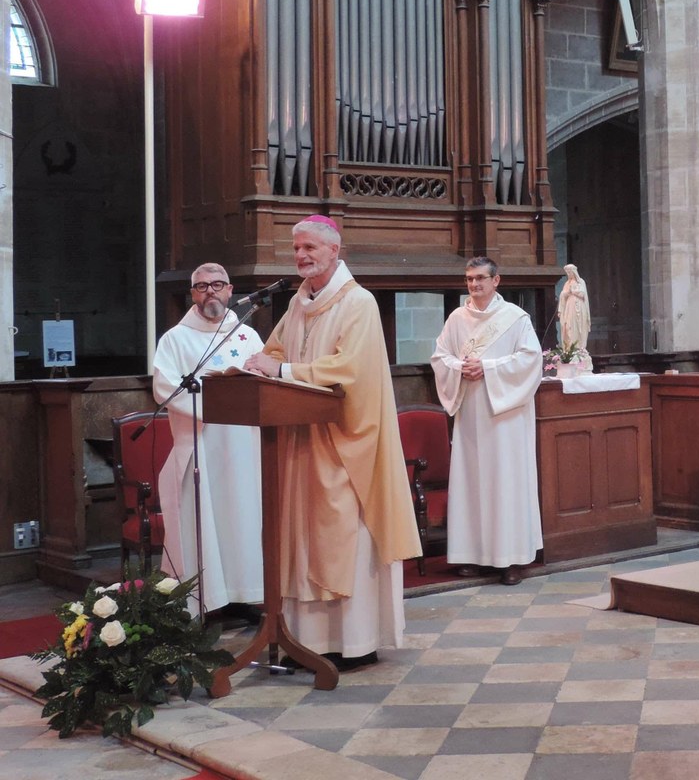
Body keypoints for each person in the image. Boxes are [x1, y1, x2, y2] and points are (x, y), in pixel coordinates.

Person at [244, 215, 420, 671]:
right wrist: (260, 363)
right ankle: (307, 642)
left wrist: (283, 371)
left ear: (334, 251)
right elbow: (277, 349)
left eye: (310, 248)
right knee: (304, 541)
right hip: (302, 440)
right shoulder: (298, 302)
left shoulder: (358, 303)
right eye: (296, 248)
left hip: (344, 444)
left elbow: (350, 371)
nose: (301, 256)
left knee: (341, 538)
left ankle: (354, 643)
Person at [152, 263, 263, 616]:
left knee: (243, 519)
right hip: (201, 446)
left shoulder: (248, 335)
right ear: (193, 294)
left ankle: (246, 595)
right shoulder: (175, 339)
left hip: (245, 448)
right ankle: (208, 602)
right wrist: (214, 407)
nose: (210, 291)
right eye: (201, 286)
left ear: (230, 290)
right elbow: (164, 387)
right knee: (204, 523)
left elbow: (263, 379)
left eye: (217, 284)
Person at [431, 256, 543, 586]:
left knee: (506, 482)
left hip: (505, 415)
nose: (474, 284)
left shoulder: (515, 318)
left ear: (496, 281)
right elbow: (440, 357)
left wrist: (488, 368)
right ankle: (472, 555)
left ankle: (511, 560)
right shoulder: (457, 319)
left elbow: (531, 360)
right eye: (469, 279)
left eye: (481, 278)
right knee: (472, 482)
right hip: (471, 413)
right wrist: (459, 368)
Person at [557, 263, 590, 355]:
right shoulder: (567, 283)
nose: (568, 274)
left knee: (579, 326)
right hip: (569, 307)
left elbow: (583, 295)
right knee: (569, 326)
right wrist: (566, 293)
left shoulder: (581, 282)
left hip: (580, 307)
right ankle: (570, 348)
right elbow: (563, 295)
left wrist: (574, 292)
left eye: (570, 272)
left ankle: (580, 347)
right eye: (567, 272)